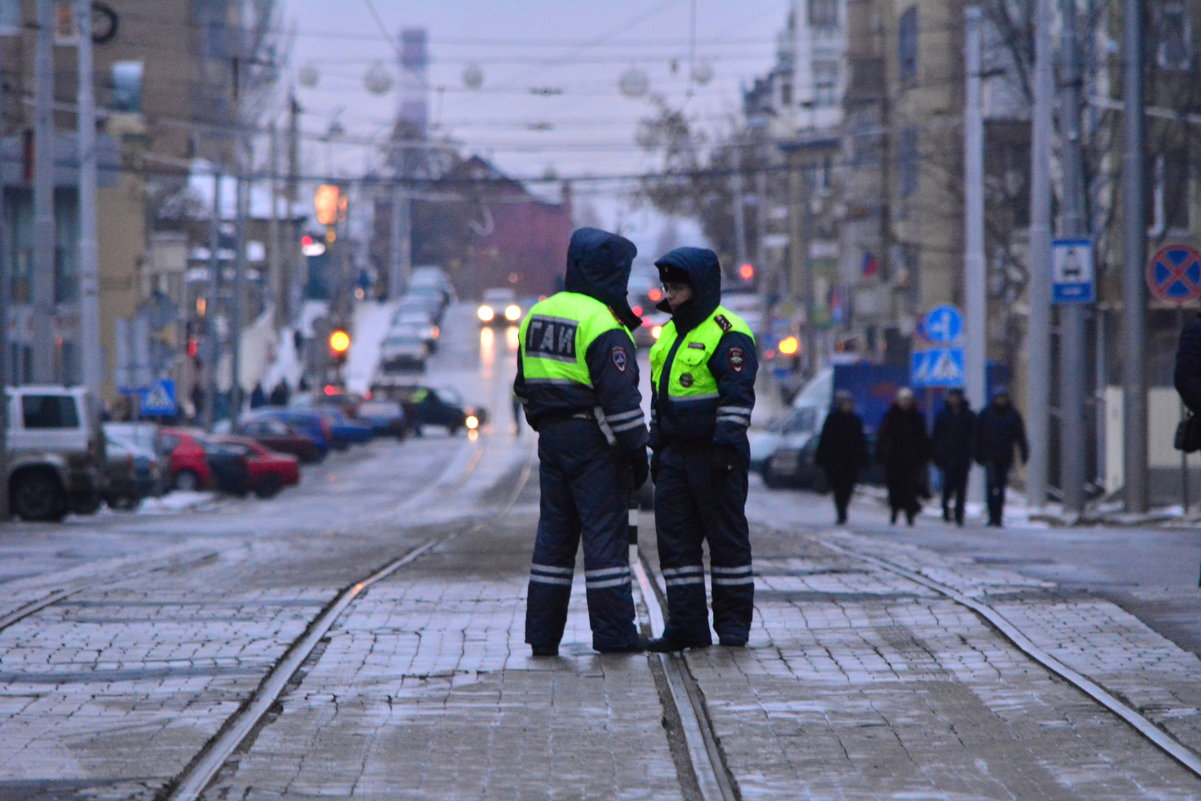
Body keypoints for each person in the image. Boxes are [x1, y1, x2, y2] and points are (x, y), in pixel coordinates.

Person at [513, 227, 649, 657]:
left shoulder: (538, 315)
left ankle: (543, 635)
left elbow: (523, 386)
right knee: (604, 539)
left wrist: (547, 424)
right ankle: (613, 636)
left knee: (553, 540)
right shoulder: (602, 322)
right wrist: (637, 456)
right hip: (595, 443)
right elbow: (621, 402)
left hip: (552, 442)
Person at [646, 247, 757, 652]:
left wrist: (725, 450)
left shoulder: (728, 332)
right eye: (667, 288)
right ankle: (687, 626)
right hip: (675, 455)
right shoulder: (671, 333)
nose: (670, 295)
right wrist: (656, 447)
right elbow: (661, 397)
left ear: (700, 288)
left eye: (677, 288)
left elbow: (737, 397)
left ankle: (732, 626)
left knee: (726, 543)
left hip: (715, 455)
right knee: (676, 546)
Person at [973, 389, 1029, 527]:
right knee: (991, 484)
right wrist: (978, 454)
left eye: (1003, 398)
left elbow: (1020, 436)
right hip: (989, 455)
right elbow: (977, 435)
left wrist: (1024, 452)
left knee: (1001, 486)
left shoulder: (1012, 415)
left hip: (1005, 455)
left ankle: (998, 516)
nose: (1001, 401)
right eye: (999, 398)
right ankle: (992, 514)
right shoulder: (986, 414)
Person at [876, 387, 930, 526]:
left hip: (912, 460)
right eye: (903, 399)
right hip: (894, 460)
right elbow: (883, 437)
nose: (905, 403)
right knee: (894, 488)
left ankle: (909, 514)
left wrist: (923, 456)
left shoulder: (917, 418)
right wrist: (883, 454)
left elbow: (923, 439)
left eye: (908, 400)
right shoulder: (891, 416)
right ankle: (894, 512)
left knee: (910, 489)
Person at [815, 390, 869, 525]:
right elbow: (825, 440)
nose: (847, 406)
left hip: (851, 461)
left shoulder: (855, 420)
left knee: (848, 487)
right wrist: (821, 458)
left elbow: (860, 441)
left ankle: (843, 509)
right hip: (835, 460)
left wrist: (864, 458)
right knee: (838, 487)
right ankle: (841, 512)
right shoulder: (832, 419)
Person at [930, 388, 976, 526]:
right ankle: (945, 509)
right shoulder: (943, 415)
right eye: (952, 397)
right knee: (948, 486)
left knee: (961, 487)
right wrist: (937, 453)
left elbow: (974, 436)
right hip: (947, 456)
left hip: (963, 456)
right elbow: (936, 436)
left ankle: (959, 514)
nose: (954, 400)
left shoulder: (968, 415)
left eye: (956, 397)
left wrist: (972, 452)